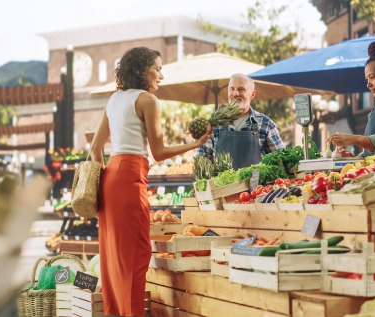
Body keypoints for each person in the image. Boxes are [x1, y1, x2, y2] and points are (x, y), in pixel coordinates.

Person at [89, 47, 211, 317]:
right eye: (157, 68)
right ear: (142, 70)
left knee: (112, 260)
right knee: (136, 255)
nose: (162, 75)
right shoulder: (147, 100)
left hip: (109, 178)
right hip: (129, 177)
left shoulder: (114, 99)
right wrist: (196, 143)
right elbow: (158, 152)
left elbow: (95, 148)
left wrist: (102, 183)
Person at [196, 73, 285, 169]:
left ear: (252, 94)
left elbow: (281, 161)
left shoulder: (266, 124)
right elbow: (202, 159)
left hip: (256, 184)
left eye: (241, 89)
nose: (235, 93)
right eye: (232, 89)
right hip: (222, 184)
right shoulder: (215, 125)